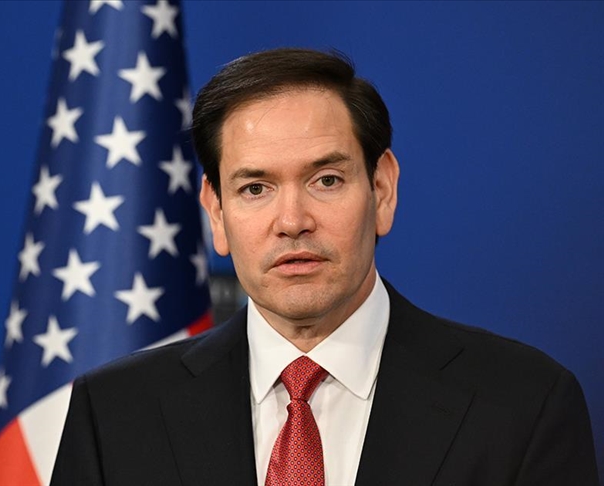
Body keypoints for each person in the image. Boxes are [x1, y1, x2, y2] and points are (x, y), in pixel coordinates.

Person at [50, 48, 599, 485]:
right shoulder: (114, 414)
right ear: (216, 212)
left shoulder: (524, 405)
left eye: (326, 180)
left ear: (382, 190)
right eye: (255, 188)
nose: (292, 221)